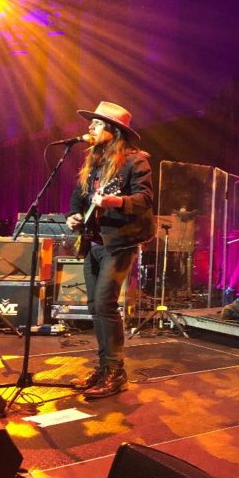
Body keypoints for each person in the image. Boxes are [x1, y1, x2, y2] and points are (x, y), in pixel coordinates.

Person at [66, 101, 155, 399]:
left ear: (113, 130)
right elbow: (78, 196)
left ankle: (116, 372)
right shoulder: (94, 162)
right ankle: (104, 367)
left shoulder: (135, 161)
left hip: (119, 243)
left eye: (97, 123)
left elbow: (144, 199)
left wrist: (115, 201)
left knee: (105, 304)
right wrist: (73, 215)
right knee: (95, 307)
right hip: (92, 242)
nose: (90, 127)